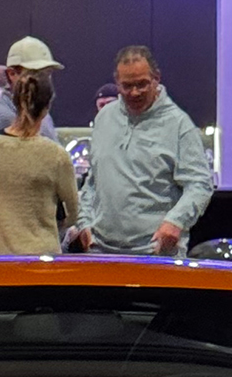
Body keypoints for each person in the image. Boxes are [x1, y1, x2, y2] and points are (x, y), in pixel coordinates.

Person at [74, 46, 213, 257]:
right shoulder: (104, 119)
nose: (134, 92)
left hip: (155, 254)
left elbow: (200, 184)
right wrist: (84, 222)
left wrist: (176, 221)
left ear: (156, 78)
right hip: (100, 251)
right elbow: (93, 181)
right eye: (127, 86)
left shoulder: (179, 125)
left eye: (142, 84)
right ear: (117, 83)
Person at [0, 69, 79, 255]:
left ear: (14, 101)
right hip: (41, 257)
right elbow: (73, 213)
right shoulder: (56, 155)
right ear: (47, 106)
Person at [0, 37, 64, 185]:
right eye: (35, 73)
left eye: (47, 74)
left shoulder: (44, 116)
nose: (43, 80)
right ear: (11, 74)